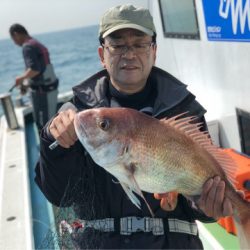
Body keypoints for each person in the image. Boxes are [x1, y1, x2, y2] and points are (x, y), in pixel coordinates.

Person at [35, 5, 234, 249]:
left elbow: (200, 202)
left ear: (154, 51)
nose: (129, 54)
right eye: (117, 45)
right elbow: (59, 194)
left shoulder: (185, 111)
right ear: (101, 55)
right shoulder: (80, 114)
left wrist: (206, 206)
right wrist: (53, 143)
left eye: (139, 44)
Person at [9, 23, 59, 133]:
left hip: (42, 92)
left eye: (13, 39)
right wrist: (26, 81)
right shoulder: (35, 43)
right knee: (51, 121)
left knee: (44, 125)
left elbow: (34, 70)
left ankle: (48, 149)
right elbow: (40, 68)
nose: (14, 42)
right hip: (51, 88)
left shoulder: (27, 47)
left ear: (16, 34)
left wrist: (20, 79)